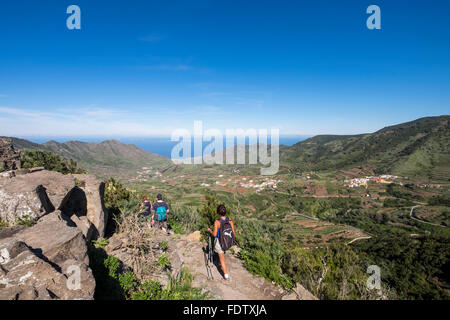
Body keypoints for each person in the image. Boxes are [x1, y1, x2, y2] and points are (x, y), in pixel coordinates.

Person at [207, 204, 235, 281]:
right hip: (228, 241)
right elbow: (233, 232)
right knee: (222, 256)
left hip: (220, 242)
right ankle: (220, 264)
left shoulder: (217, 222)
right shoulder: (229, 220)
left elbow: (215, 234)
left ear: (218, 212)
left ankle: (226, 276)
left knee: (222, 259)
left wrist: (210, 231)